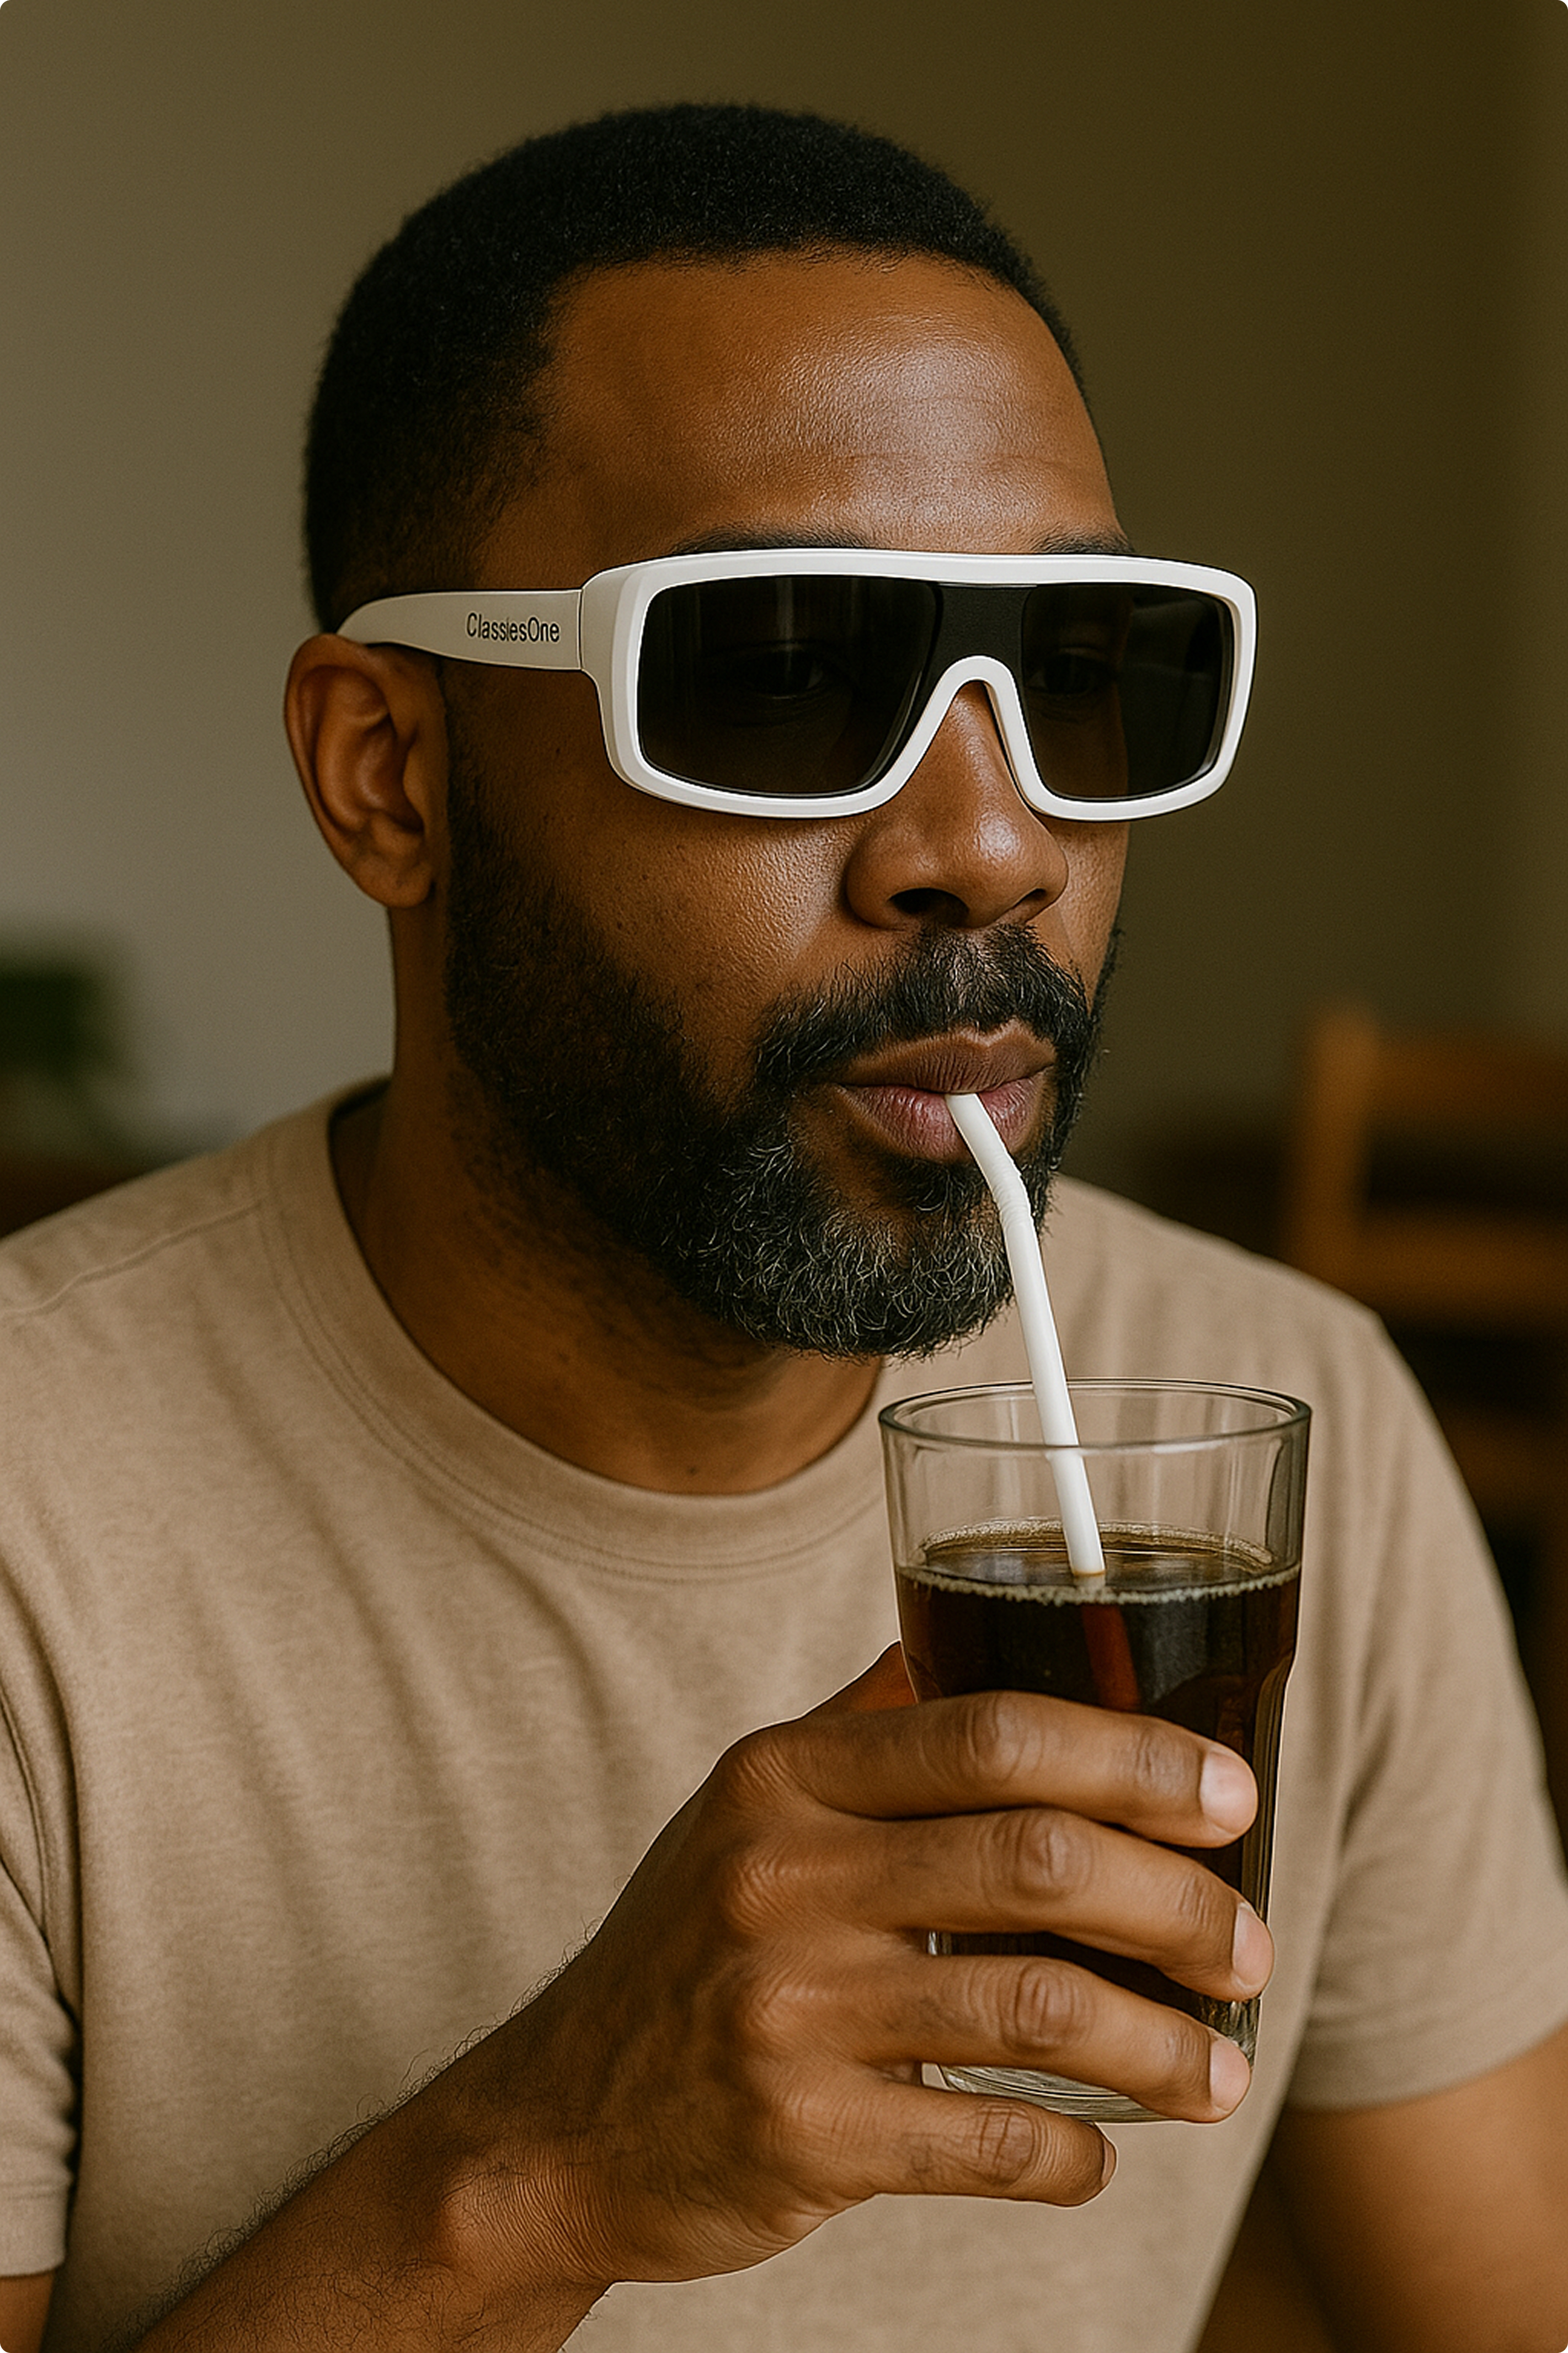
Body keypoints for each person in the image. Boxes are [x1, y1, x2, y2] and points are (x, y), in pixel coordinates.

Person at [1, 102, 1565, 2353]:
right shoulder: (37, 1519)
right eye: (783, 676)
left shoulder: (1292, 1424)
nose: (991, 844)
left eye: (1084, 669)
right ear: (391, 774)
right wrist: (544, 2167)